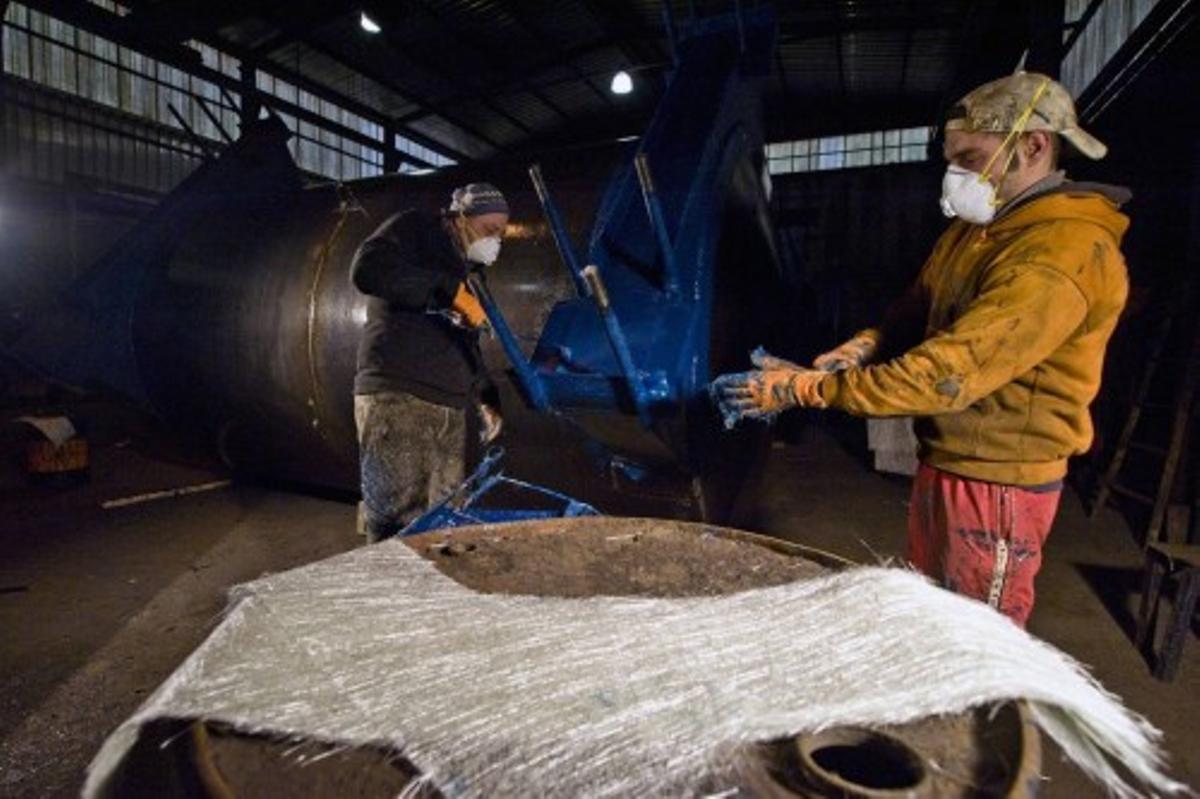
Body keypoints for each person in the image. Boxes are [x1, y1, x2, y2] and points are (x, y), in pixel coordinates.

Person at [712, 72, 1131, 626]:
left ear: (1032, 146)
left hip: (1000, 478)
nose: (957, 174)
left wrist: (804, 388)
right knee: (936, 607)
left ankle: (985, 713)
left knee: (979, 630)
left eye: (972, 157)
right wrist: (866, 346)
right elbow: (921, 304)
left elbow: (947, 375)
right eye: (952, 159)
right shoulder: (983, 227)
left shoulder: (1060, 254)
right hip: (951, 456)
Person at [351, 183, 508, 542]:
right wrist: (447, 292)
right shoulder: (414, 229)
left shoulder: (468, 271)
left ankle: (430, 596)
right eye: (489, 230)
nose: (496, 240)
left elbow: (464, 340)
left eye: (501, 233)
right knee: (397, 521)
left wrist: (484, 391)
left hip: (447, 408)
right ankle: (388, 594)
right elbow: (366, 269)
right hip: (399, 397)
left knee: (441, 522)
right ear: (460, 218)